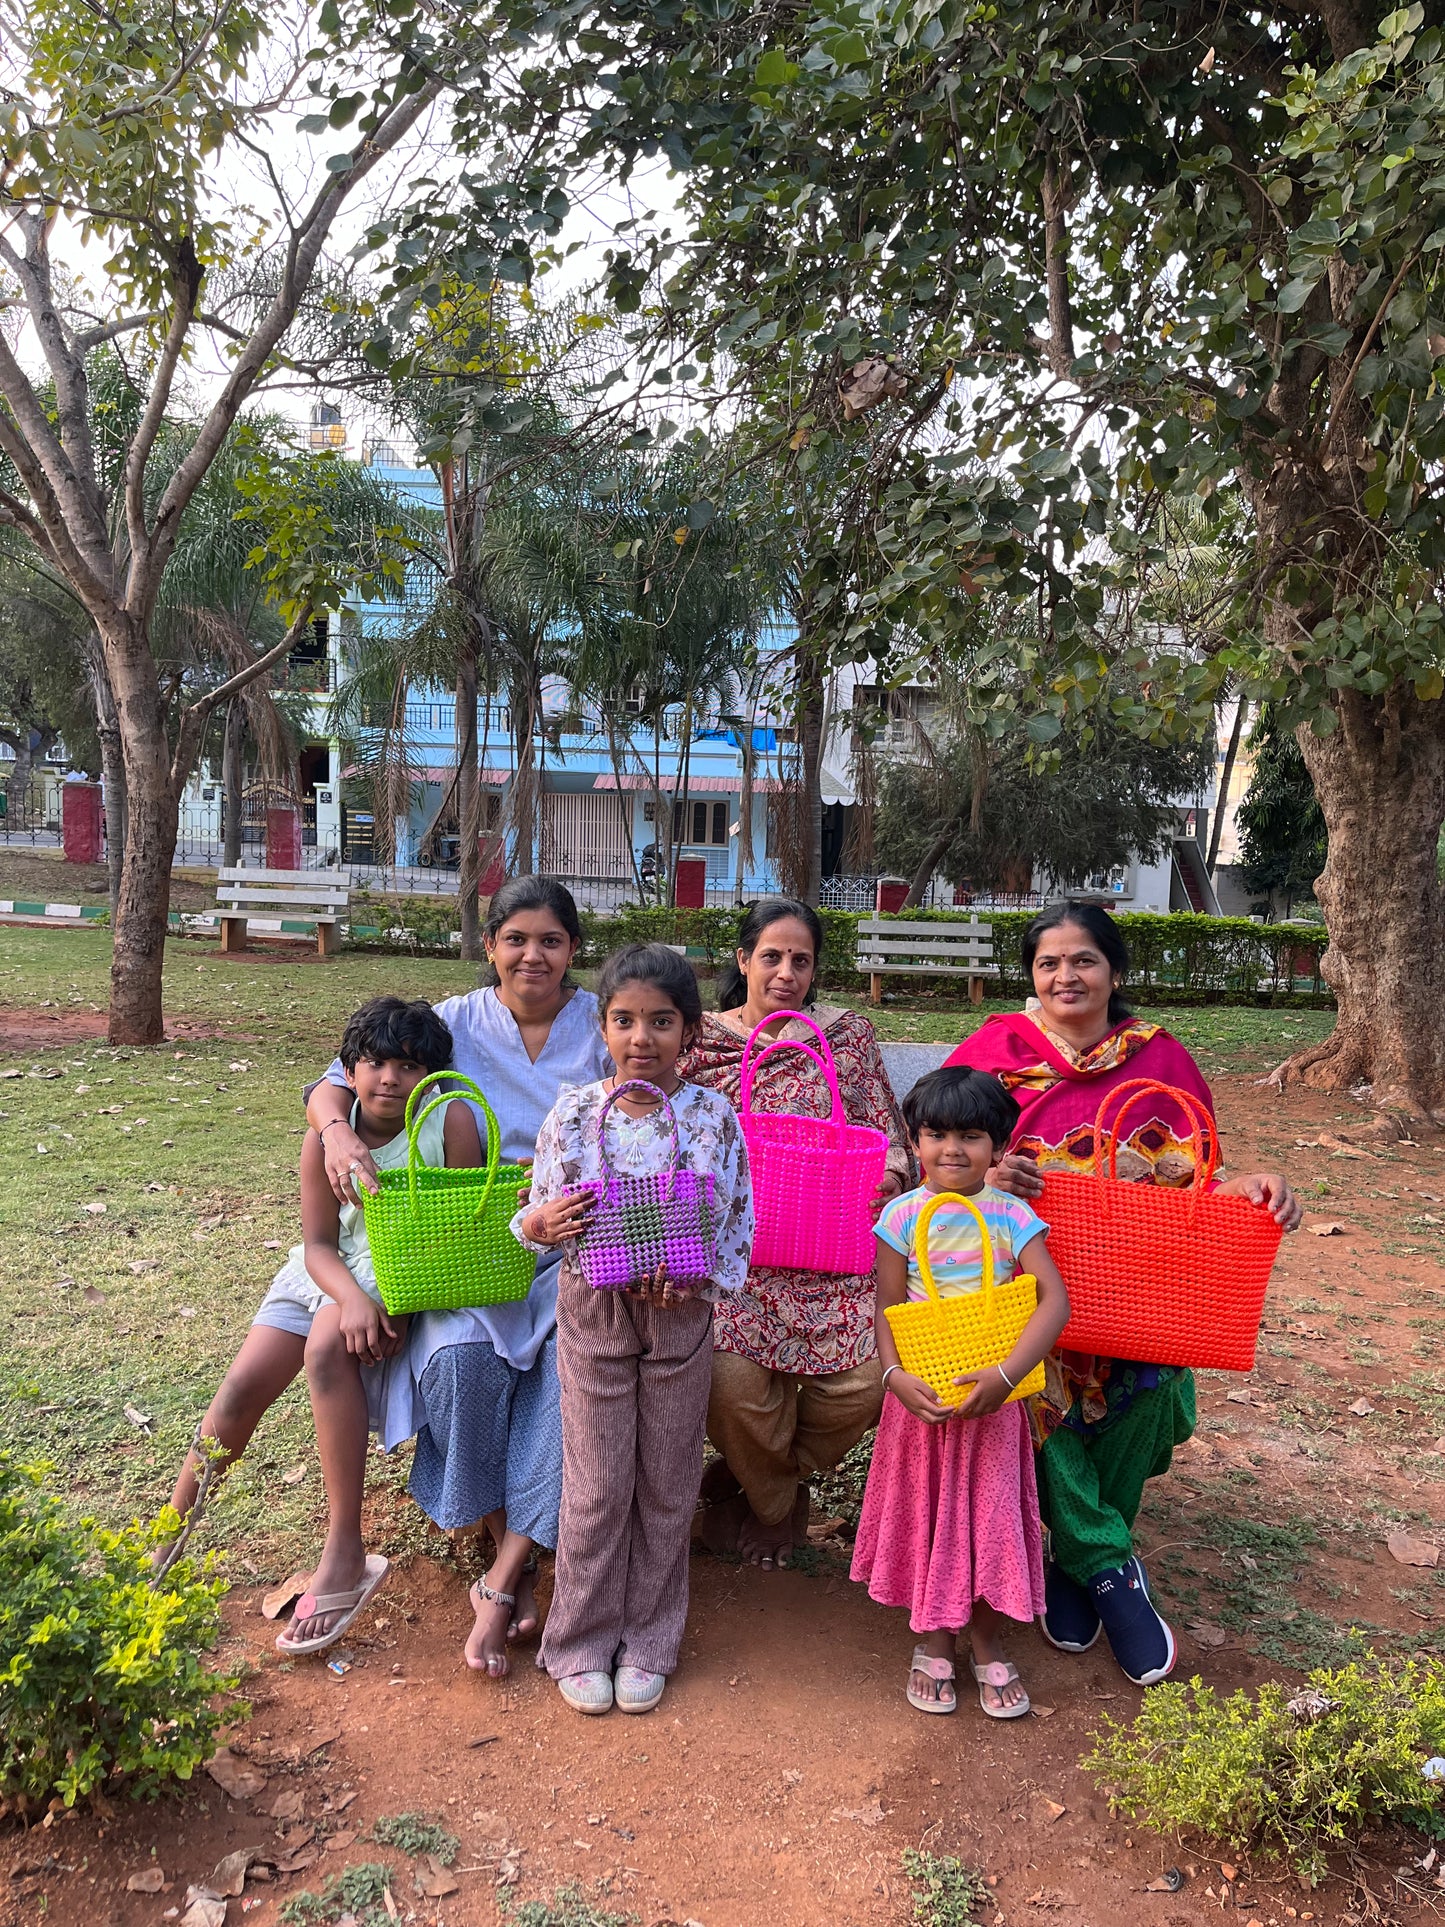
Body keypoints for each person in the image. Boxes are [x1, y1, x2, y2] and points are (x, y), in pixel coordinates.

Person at [946, 902, 1301, 1686]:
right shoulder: (993, 1053)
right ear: (1029, 974)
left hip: (1140, 1289)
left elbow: (1196, 1181)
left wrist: (1250, 1187)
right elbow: (942, 1162)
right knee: (1032, 1395)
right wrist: (986, 1183)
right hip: (1023, 1288)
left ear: (1113, 969)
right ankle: (1108, 1570)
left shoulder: (1162, 1060)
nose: (1064, 976)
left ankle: (1074, 1564)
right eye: (1047, 963)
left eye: (1082, 960)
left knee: (1149, 1383)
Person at [305, 876, 609, 1677]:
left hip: (572, 1241)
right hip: (461, 1240)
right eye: (516, 939)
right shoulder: (456, 1020)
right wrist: (334, 1130)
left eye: (550, 940)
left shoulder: (601, 1024)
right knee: (459, 1364)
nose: (532, 955)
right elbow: (343, 1074)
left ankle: (508, 1575)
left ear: (573, 950)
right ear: (490, 947)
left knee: (563, 1379)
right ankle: (499, 1521)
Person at [161, 996, 471, 1651]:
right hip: (324, 1272)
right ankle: (165, 1537)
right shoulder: (329, 1134)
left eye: (409, 1065)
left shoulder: (451, 1123)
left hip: (406, 1273)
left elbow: (461, 1232)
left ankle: (344, 1548)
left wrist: (390, 1302)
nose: (389, 1078)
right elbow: (318, 1246)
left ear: (433, 1074)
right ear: (349, 1070)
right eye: (375, 1062)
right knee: (240, 1389)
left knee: (328, 1345)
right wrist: (351, 1297)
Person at [516, 943, 754, 1717]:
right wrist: (541, 1222)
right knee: (595, 1482)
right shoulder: (576, 1112)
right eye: (623, 1020)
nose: (640, 1038)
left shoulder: (713, 1116)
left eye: (660, 1021)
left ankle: (650, 1637)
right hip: (593, 1307)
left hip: (680, 1312)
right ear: (603, 1025)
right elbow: (537, 1212)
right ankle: (580, 1638)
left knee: (666, 1480)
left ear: (689, 1029)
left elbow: (737, 1220)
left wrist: (699, 1280)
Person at [679, 898, 910, 1569]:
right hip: (732, 1258)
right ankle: (779, 1503)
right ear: (743, 958)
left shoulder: (845, 1038)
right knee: (726, 1379)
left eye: (800, 959)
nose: (785, 972)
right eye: (771, 956)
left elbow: (890, 1137)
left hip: (832, 1253)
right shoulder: (699, 1040)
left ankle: (751, 1480)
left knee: (867, 1380)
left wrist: (890, 1178)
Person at [852, 1066, 1070, 1718]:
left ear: (998, 1146)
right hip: (921, 1402)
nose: (952, 1149)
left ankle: (982, 1639)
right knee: (928, 1515)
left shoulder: (1011, 1215)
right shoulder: (900, 1216)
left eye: (971, 1135)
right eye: (936, 1134)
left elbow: (1052, 1301)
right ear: (914, 1142)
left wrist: (1004, 1380)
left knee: (987, 1516)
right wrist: (894, 1379)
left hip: (995, 1405)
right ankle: (933, 1636)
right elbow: (886, 1304)